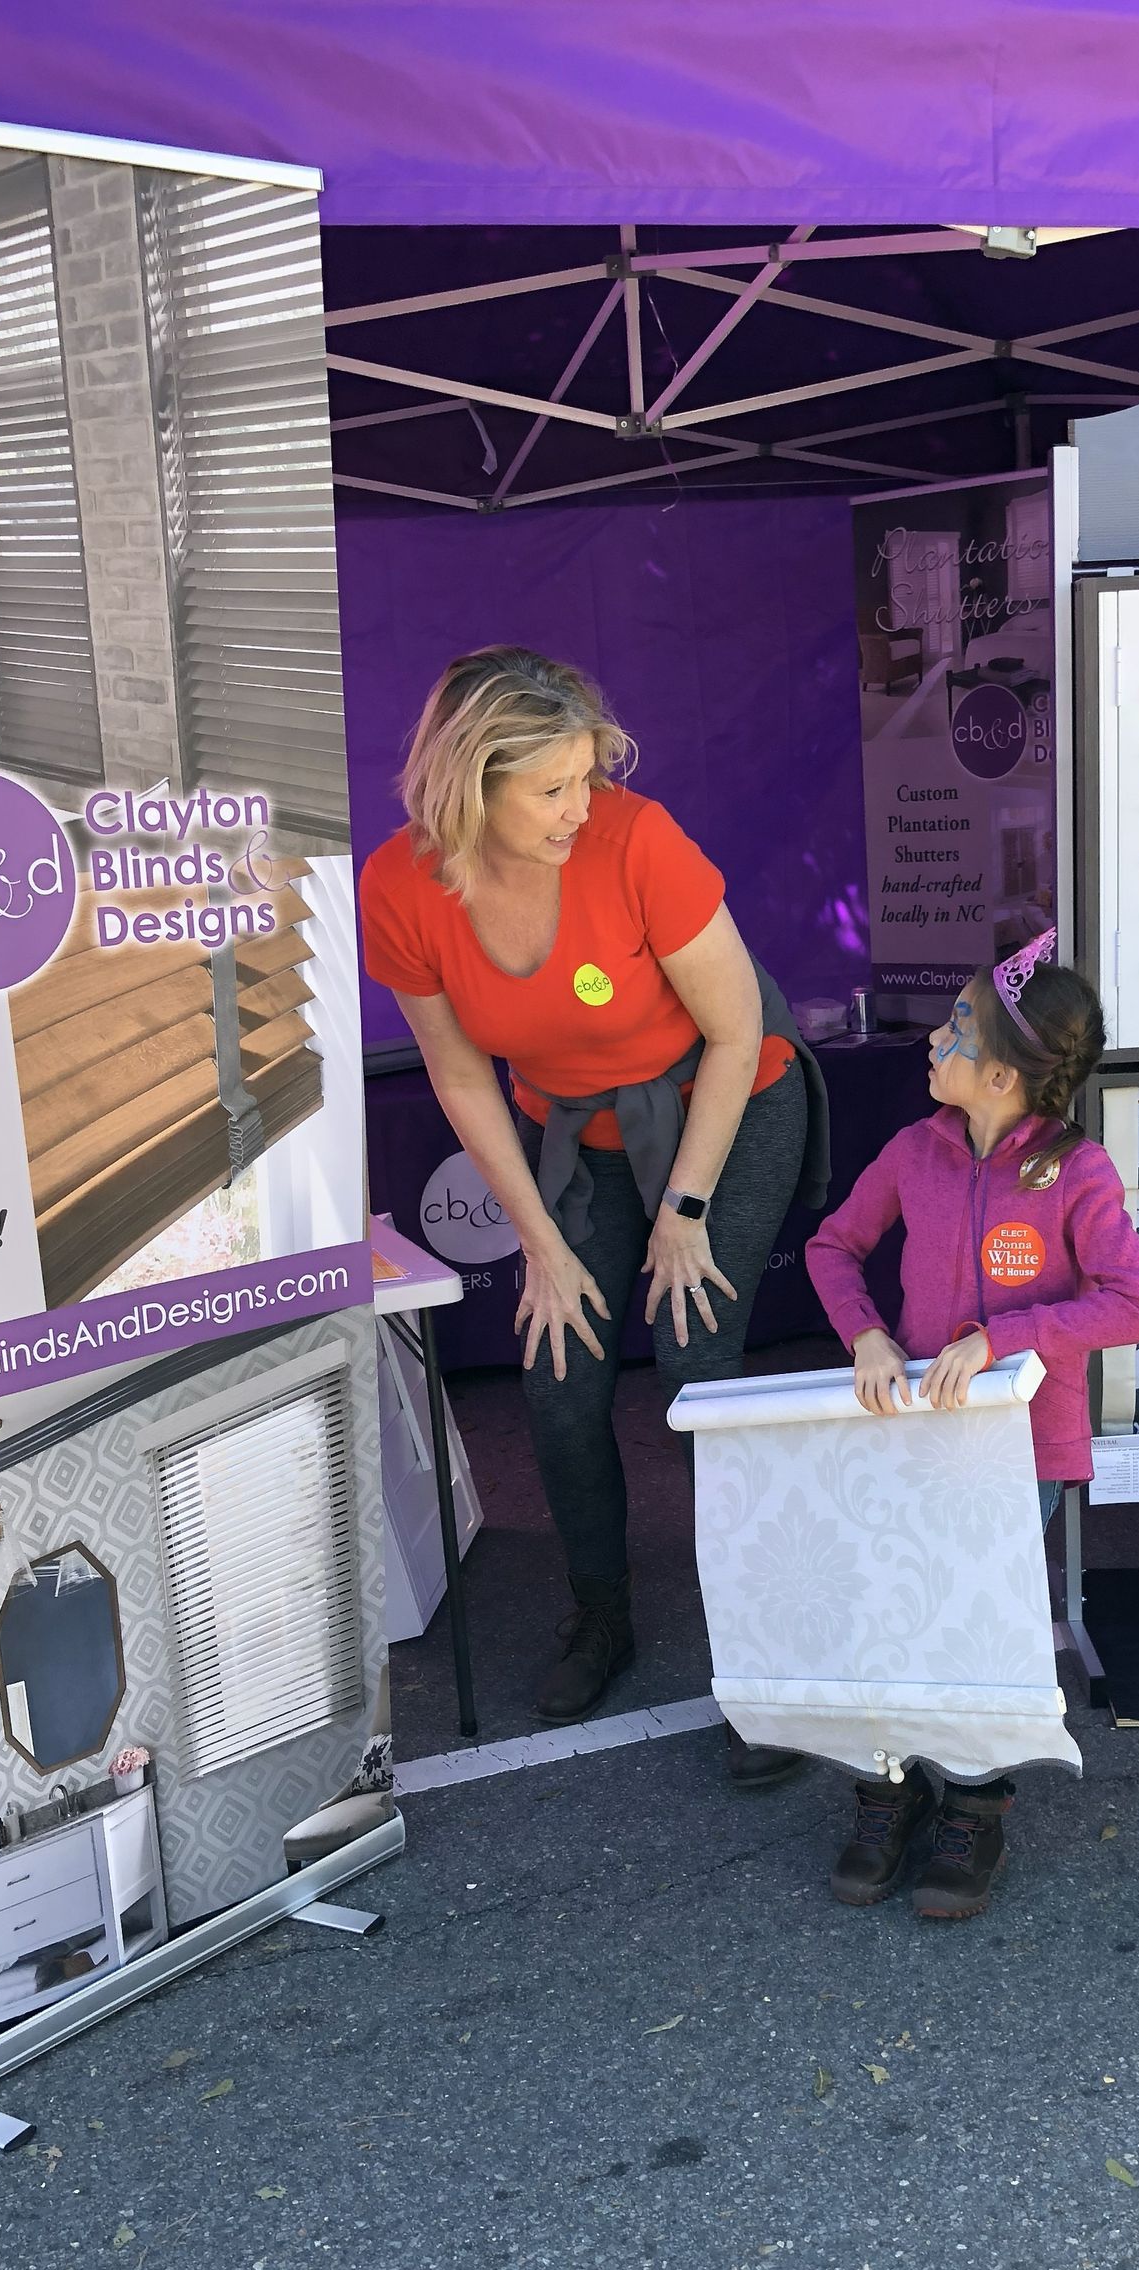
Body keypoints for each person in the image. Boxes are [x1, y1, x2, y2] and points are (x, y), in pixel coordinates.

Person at [359, 647, 827, 1783]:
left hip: (726, 1103)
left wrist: (687, 1210)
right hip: (574, 1132)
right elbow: (463, 1076)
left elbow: (732, 1036)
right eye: (552, 788)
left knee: (695, 1363)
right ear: (471, 785)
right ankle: (601, 1610)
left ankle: (770, 1650)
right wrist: (542, 1244)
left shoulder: (638, 839)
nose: (582, 807)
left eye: (586, 777)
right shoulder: (401, 886)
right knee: (558, 1374)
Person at [804, 931, 1139, 1919]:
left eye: (956, 1024)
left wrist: (1010, 1334)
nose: (934, 1036)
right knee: (887, 1607)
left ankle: (974, 1801)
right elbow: (834, 1247)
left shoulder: (1078, 1174)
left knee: (975, 1624)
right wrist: (868, 1336)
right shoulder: (912, 1151)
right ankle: (890, 1785)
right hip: (909, 1436)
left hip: (1019, 1449)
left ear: (1001, 1074)